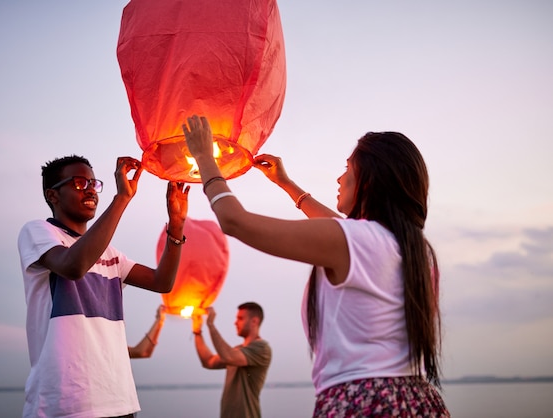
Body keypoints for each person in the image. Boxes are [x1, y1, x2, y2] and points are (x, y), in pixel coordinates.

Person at [182, 115, 450, 417]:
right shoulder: (414, 251)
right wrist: (287, 184)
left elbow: (234, 221)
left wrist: (204, 156)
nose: (339, 178)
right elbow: (342, 231)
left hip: (362, 402)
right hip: (416, 401)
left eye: (347, 168)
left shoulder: (357, 242)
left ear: (370, 180)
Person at [17, 155, 189, 418]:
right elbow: (73, 266)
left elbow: (161, 282)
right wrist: (122, 199)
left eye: (93, 183)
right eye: (78, 183)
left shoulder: (111, 254)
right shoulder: (38, 232)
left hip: (118, 400)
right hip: (65, 404)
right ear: (53, 195)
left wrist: (176, 225)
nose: (89, 189)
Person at [192, 302, 272, 418]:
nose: (235, 323)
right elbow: (208, 361)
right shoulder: (237, 351)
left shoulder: (262, 349)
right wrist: (197, 332)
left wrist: (210, 324)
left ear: (254, 321)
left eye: (240, 318)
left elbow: (228, 356)